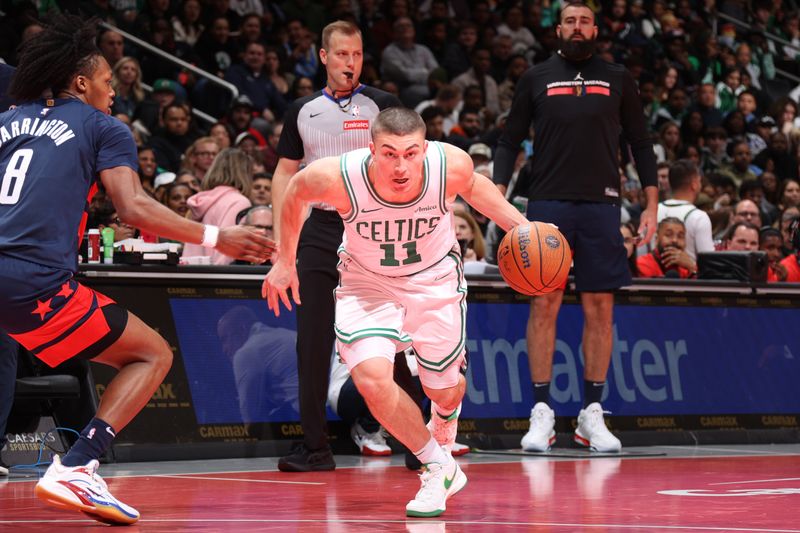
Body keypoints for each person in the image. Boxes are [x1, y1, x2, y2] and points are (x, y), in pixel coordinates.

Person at [0, 15, 273, 523]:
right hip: (32, 279)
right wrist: (219, 236)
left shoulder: (8, 121)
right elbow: (133, 208)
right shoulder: (103, 126)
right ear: (81, 82)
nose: (114, 95)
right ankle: (78, 466)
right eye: (107, 83)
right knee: (151, 355)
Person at [263, 107, 529, 517]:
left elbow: (476, 190)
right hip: (367, 283)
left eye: (410, 153)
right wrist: (285, 260)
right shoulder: (339, 176)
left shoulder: (448, 164)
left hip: (433, 280)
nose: (401, 165)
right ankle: (437, 464)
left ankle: (444, 420)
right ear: (371, 149)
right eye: (389, 154)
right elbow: (295, 191)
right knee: (371, 379)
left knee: (444, 389)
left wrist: (521, 227)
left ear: (425, 148)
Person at [493, 1, 658, 453]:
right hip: (547, 203)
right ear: (558, 29)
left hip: (603, 204)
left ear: (596, 29)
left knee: (601, 309)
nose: (578, 27)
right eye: (570, 20)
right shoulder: (535, 77)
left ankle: (591, 413)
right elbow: (509, 141)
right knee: (544, 304)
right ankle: (542, 411)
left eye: (585, 21)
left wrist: (651, 202)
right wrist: (497, 192)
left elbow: (641, 143)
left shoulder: (619, 77)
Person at [270, 21, 410, 473]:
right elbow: (283, 174)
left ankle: (421, 440)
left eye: (358, 54)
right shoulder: (302, 110)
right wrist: (282, 247)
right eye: (343, 54)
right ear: (323, 57)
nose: (351, 62)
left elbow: (408, 162)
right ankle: (315, 448)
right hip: (320, 230)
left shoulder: (383, 105)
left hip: (374, 231)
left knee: (398, 340)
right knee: (311, 341)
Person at [181, 148, 254, 265]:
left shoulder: (202, 199)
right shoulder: (239, 202)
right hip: (214, 277)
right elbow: (227, 247)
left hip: (190, 273)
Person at [657, 160, 715, 261]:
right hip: (686, 275)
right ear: (694, 184)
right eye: (699, 181)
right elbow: (709, 263)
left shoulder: (653, 211)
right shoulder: (699, 217)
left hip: (649, 274)